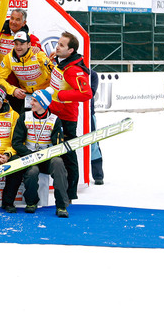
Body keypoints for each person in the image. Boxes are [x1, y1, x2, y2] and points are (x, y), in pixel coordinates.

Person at [46, 32, 92, 201]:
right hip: (54, 114)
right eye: (57, 43)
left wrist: (60, 96)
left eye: (62, 45)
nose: (57, 47)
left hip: (66, 117)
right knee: (57, 154)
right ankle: (64, 190)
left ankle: (71, 192)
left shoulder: (74, 69)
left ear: (71, 50)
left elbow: (86, 94)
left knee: (68, 155)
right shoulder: (63, 62)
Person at [10, 89, 69, 217]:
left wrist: (57, 143)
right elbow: (16, 142)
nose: (31, 103)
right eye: (31, 99)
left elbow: (58, 145)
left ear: (43, 103)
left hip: (47, 157)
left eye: (35, 100)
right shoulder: (25, 117)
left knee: (58, 163)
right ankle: (31, 202)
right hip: (30, 156)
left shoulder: (54, 120)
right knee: (32, 172)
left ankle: (61, 206)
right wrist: (29, 154)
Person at [0, 30, 53, 113]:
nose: (18, 47)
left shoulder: (38, 55)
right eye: (16, 44)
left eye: (22, 44)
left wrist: (48, 91)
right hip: (26, 95)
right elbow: (0, 78)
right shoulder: (8, 58)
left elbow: (52, 73)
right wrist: (13, 90)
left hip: (43, 93)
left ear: (29, 44)